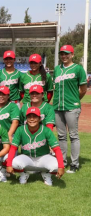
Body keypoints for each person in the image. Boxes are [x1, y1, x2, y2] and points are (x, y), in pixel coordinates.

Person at [6, 107, 65, 186]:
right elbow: (13, 148)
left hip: (43, 157)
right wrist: (9, 164)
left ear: (40, 118)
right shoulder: (20, 130)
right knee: (14, 163)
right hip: (27, 157)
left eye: (35, 117)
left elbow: (57, 149)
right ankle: (24, 173)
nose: (32, 119)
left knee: (56, 166)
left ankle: (46, 173)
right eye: (29, 117)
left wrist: (61, 166)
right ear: (26, 119)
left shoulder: (46, 130)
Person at [53, 45, 88, 173]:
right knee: (61, 136)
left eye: (67, 54)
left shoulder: (78, 69)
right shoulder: (57, 69)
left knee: (73, 135)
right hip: (57, 106)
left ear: (72, 55)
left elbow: (83, 89)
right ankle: (62, 161)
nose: (64, 56)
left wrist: (75, 100)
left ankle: (74, 164)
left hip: (71, 107)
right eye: (62, 54)